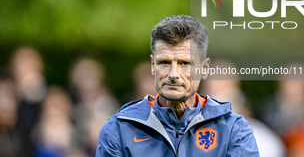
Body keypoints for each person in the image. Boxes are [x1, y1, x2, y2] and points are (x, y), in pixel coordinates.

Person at [95, 15, 259, 157]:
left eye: (185, 63)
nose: (173, 74)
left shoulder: (233, 129)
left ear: (204, 68)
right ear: (153, 65)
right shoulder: (119, 129)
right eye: (164, 62)